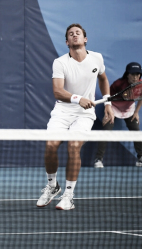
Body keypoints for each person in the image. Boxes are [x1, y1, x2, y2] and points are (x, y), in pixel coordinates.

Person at [36, 23, 114, 210]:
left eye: (78, 33)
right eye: (71, 34)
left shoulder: (97, 58)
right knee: (50, 146)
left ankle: (69, 195)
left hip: (85, 114)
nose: (75, 35)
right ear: (67, 41)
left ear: (85, 39)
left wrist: (108, 103)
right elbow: (57, 91)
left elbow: (103, 79)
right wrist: (78, 98)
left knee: (73, 146)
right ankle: (53, 185)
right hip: (63, 111)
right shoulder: (60, 62)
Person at [94, 62, 142, 168]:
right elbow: (107, 98)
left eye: (137, 74)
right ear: (127, 74)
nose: (135, 77)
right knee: (106, 130)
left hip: (129, 109)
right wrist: (108, 112)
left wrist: (136, 112)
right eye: (133, 74)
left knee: (136, 130)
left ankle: (141, 158)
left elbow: (141, 98)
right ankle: (98, 159)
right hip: (113, 108)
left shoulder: (141, 84)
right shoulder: (118, 84)